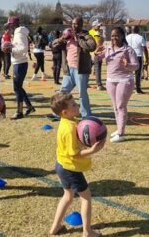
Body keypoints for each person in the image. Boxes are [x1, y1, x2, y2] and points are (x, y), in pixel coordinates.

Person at [49, 92, 105, 237]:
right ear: (64, 112)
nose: (77, 105)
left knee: (67, 197)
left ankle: (55, 227)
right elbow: (74, 154)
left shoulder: (69, 121)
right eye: (73, 105)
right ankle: (87, 232)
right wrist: (93, 150)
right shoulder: (69, 128)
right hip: (69, 169)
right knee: (86, 197)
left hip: (62, 165)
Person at [95, 27, 138, 143]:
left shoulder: (128, 50)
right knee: (115, 107)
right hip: (110, 81)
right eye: (112, 36)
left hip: (124, 80)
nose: (114, 38)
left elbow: (136, 66)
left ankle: (121, 133)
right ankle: (119, 128)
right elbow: (98, 58)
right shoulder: (108, 48)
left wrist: (127, 64)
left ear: (123, 36)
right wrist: (96, 53)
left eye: (117, 35)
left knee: (120, 106)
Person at [52, 17, 96, 118]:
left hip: (80, 70)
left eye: (76, 24)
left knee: (82, 93)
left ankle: (86, 115)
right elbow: (53, 45)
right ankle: (58, 113)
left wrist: (78, 39)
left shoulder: (85, 35)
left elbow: (92, 46)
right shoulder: (67, 36)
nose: (73, 26)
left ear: (81, 25)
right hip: (68, 69)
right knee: (63, 92)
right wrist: (61, 39)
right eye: (72, 24)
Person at [6, 16, 34, 119]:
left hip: (20, 64)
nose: (9, 26)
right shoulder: (18, 33)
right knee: (18, 87)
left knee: (17, 88)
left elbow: (23, 48)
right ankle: (29, 106)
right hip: (19, 63)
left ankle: (19, 112)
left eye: (10, 24)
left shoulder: (19, 33)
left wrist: (11, 49)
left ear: (14, 24)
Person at [126, 25, 149, 94]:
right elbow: (144, 48)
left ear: (131, 30)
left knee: (128, 72)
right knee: (138, 73)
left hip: (129, 56)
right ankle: (138, 89)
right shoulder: (140, 37)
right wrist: (147, 58)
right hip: (138, 56)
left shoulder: (127, 37)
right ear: (138, 30)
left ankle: (128, 88)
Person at [89, 20, 105, 91]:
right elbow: (99, 42)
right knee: (98, 69)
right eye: (98, 26)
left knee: (88, 69)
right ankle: (99, 85)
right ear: (94, 26)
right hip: (96, 53)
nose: (99, 27)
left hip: (90, 53)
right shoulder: (96, 32)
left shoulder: (89, 32)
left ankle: (85, 83)